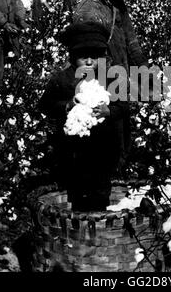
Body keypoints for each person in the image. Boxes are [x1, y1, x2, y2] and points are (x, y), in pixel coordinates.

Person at [39, 21, 129, 211]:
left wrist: (109, 111)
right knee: (77, 190)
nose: (89, 62)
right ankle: (78, 225)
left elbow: (124, 105)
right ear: (72, 57)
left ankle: (99, 222)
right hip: (73, 150)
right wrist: (67, 105)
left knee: (101, 188)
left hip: (103, 147)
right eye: (83, 57)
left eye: (94, 57)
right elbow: (45, 105)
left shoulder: (110, 78)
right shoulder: (62, 79)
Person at [73, 0, 149, 174]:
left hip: (118, 78)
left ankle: (118, 175)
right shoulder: (88, 10)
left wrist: (145, 73)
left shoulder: (116, 2)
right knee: (103, 140)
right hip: (99, 83)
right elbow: (91, 58)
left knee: (122, 132)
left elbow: (131, 40)